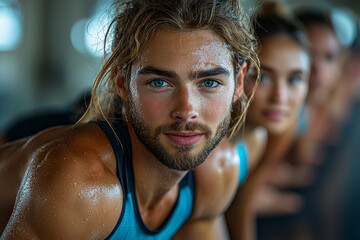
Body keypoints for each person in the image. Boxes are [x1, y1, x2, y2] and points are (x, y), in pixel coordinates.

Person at [0, 0, 260, 239]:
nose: (186, 110)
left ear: (239, 83)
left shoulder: (217, 173)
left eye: (210, 82)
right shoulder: (81, 186)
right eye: (159, 83)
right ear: (122, 82)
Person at [225, 2, 311, 239]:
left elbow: (242, 210)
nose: (280, 98)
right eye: (263, 78)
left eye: (294, 80)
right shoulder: (215, 149)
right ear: (238, 76)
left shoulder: (260, 136)